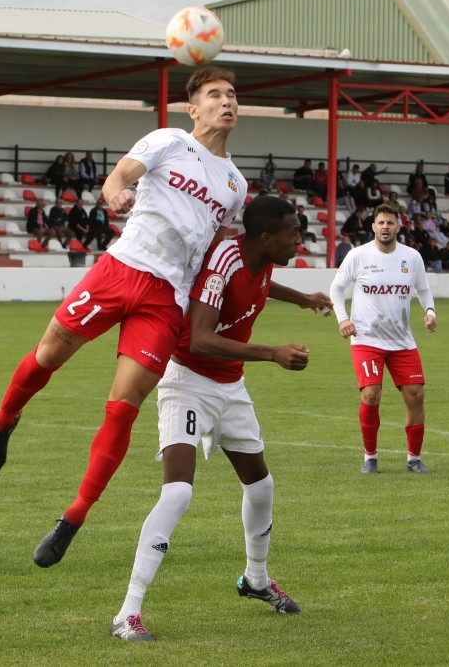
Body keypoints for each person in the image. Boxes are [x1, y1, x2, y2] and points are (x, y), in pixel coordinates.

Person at [0, 66, 247, 568]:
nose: (226, 102)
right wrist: (115, 194)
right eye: (215, 94)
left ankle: (73, 517)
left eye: (232, 95)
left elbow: (221, 249)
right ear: (193, 109)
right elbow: (120, 175)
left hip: (167, 298)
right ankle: (2, 422)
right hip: (120, 270)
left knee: (123, 407)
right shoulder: (168, 141)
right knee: (47, 357)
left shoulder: (235, 184)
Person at [112, 196, 329, 641]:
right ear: (266, 237)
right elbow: (201, 340)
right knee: (177, 494)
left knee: (261, 486)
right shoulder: (224, 261)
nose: (299, 240)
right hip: (188, 382)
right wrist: (272, 352)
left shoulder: (261, 258)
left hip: (231, 388)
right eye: (293, 233)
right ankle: (127, 613)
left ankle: (256, 579)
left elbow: (262, 284)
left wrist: (303, 299)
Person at [329, 204, 437, 475]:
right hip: (366, 339)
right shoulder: (358, 255)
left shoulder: (411, 257)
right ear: (373, 227)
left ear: (398, 227)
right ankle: (370, 457)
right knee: (371, 395)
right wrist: (343, 319)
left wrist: (430, 311)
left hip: (402, 341)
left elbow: (423, 289)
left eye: (390, 222)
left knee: (416, 396)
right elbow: (336, 288)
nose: (386, 226)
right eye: (381, 222)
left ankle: (414, 459)